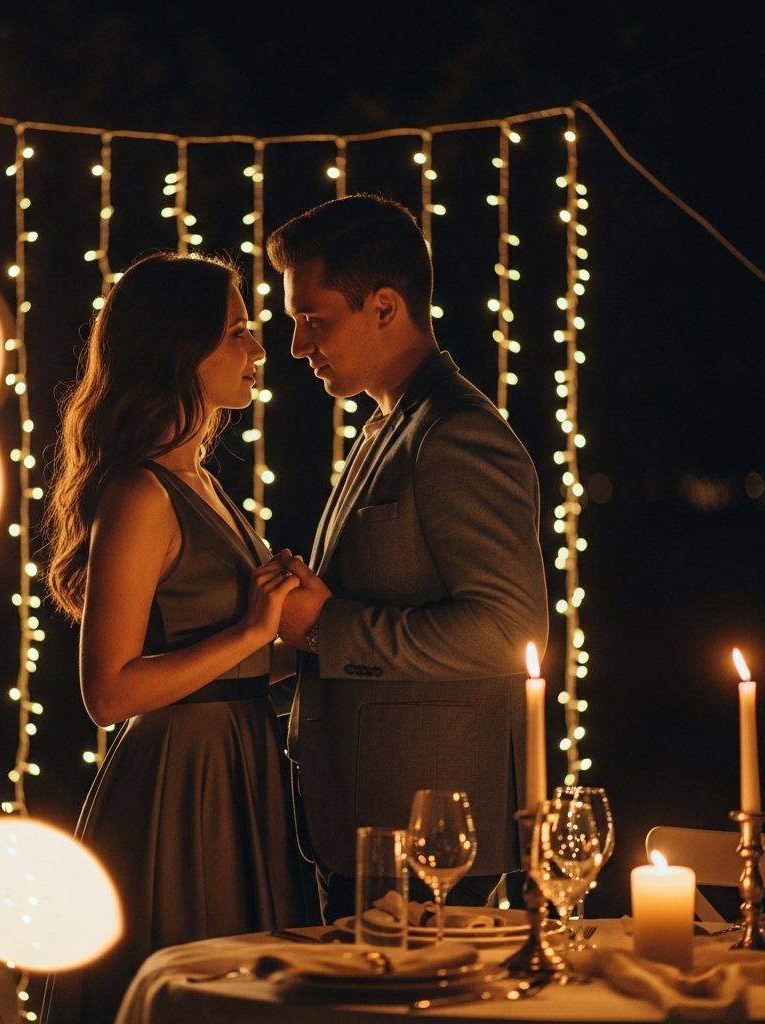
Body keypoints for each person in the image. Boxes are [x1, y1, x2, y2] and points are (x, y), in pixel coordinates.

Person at [40, 252, 313, 1023]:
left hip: (241, 760)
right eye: (239, 333)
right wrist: (253, 630)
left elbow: (227, 644)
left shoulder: (199, 477)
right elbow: (108, 691)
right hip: (181, 782)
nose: (259, 350)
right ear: (178, 349)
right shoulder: (138, 493)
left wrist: (301, 639)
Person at [266, 194, 549, 922]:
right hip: (360, 820)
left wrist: (326, 625)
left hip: (431, 837)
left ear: (386, 307)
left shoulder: (456, 434)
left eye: (313, 319)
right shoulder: (386, 424)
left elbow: (506, 628)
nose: (298, 345)